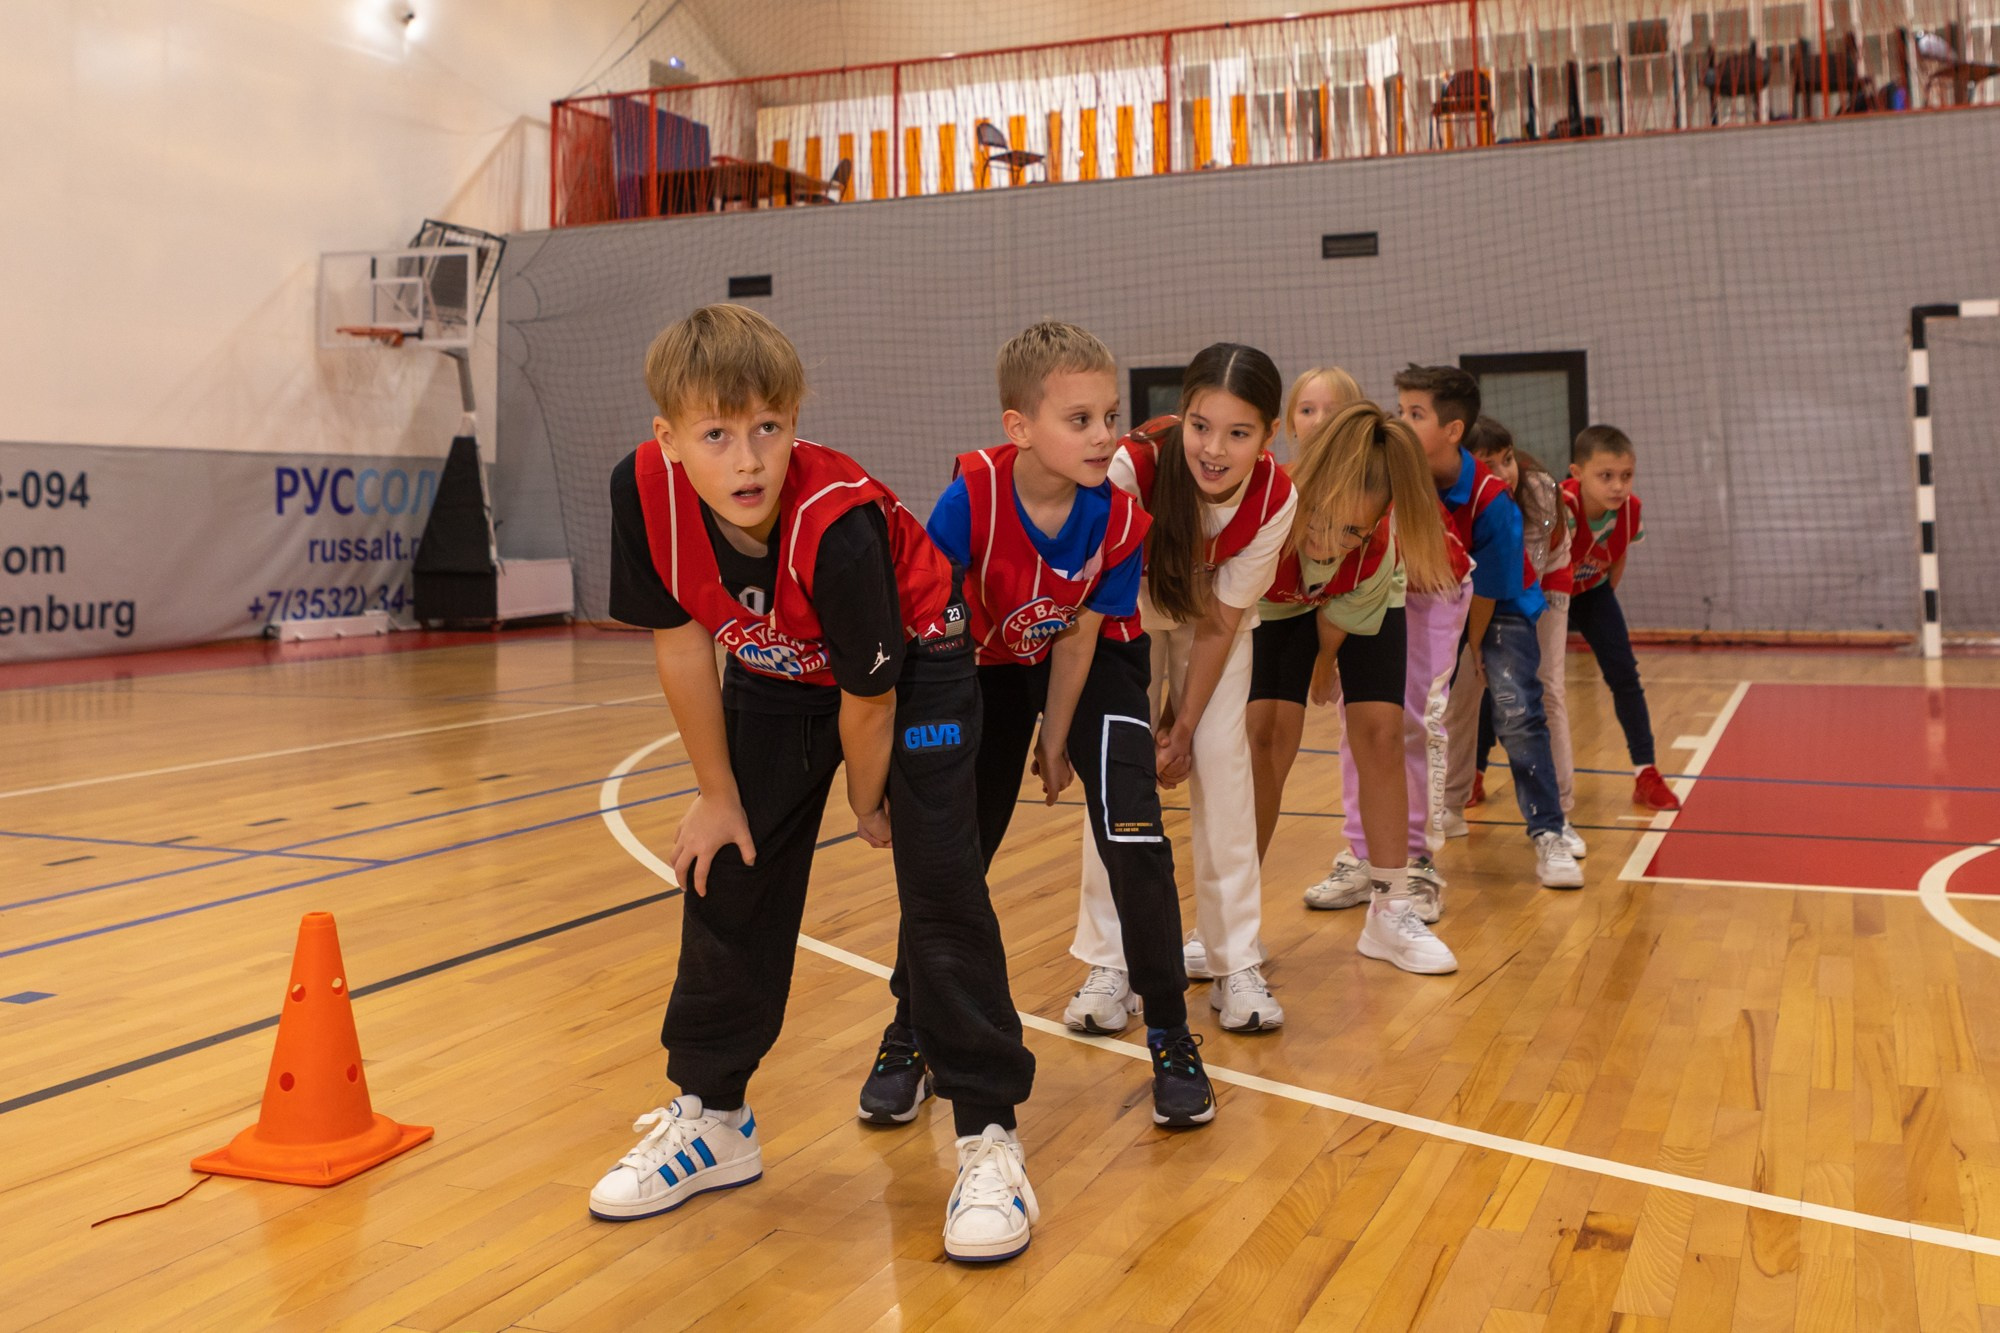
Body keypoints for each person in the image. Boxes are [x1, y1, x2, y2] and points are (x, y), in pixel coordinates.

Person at [593, 304, 1040, 1263]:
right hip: (780, 672)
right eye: (716, 434)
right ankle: (713, 1118)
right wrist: (718, 795)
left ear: (796, 419)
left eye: (769, 427)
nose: (748, 459)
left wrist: (870, 801)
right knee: (729, 865)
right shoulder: (643, 493)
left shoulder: (834, 526)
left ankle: (988, 1133)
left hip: (915, 667)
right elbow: (682, 646)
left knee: (941, 885)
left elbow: (869, 702)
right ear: (668, 440)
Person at [862, 319, 1216, 1127]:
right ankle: (911, 1030)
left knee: (1134, 836)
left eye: (1110, 415)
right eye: (1079, 419)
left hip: (1090, 664)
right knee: (955, 855)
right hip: (974, 667)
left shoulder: (1121, 521)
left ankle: (1169, 1034)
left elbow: (1084, 632)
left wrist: (1056, 740)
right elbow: (931, 627)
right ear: (1020, 427)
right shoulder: (969, 498)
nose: (1103, 437)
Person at [1071, 344, 1297, 1031]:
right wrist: (1148, 729)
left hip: (1210, 628)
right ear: (1180, 414)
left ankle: (1234, 962)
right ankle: (1111, 962)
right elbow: (1101, 603)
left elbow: (1222, 619)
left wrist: (1184, 725)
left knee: (1227, 774)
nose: (1214, 449)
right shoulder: (1130, 470)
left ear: (1270, 434)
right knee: (1117, 782)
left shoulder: (1276, 497)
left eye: (1239, 433)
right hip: (1126, 618)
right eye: (1201, 425)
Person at [1260, 401, 1461, 975]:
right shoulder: (1271, 515)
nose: (1330, 540)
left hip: (1356, 606)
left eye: (1353, 528)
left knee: (1380, 733)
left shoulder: (1373, 552)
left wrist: (1326, 664)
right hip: (1273, 604)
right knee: (1268, 739)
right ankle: (1232, 918)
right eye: (1323, 521)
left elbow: (1337, 618)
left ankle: (1391, 908)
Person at [1440, 418, 1586, 860]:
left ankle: (1558, 816)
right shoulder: (1453, 496)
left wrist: (1500, 642)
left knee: (1544, 688)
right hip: (1473, 594)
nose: (1505, 471)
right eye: (1490, 463)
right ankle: (1450, 804)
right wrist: (1474, 644)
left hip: (1540, 583)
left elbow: (1528, 574)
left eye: (1508, 459)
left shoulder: (1541, 490)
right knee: (1461, 692)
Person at [1247, 365, 1366, 851]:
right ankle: (1229, 901)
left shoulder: (1371, 491)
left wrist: (1324, 661)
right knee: (1251, 746)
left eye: (1332, 410)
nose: (1318, 421)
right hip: (1257, 618)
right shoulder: (1271, 482)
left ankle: (1243, 890)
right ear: (1289, 423)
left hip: (1316, 619)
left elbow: (1351, 587)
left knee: (1277, 747)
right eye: (1307, 409)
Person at [1564, 424, 1681, 811]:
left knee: (1625, 675)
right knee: (1516, 685)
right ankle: (1475, 773)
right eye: (1606, 476)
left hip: (1592, 591)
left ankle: (1646, 774)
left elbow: (1618, 556)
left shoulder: (1630, 511)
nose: (1618, 486)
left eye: (1626, 476)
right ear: (1577, 474)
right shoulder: (1560, 508)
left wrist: (1602, 607)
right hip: (1546, 596)